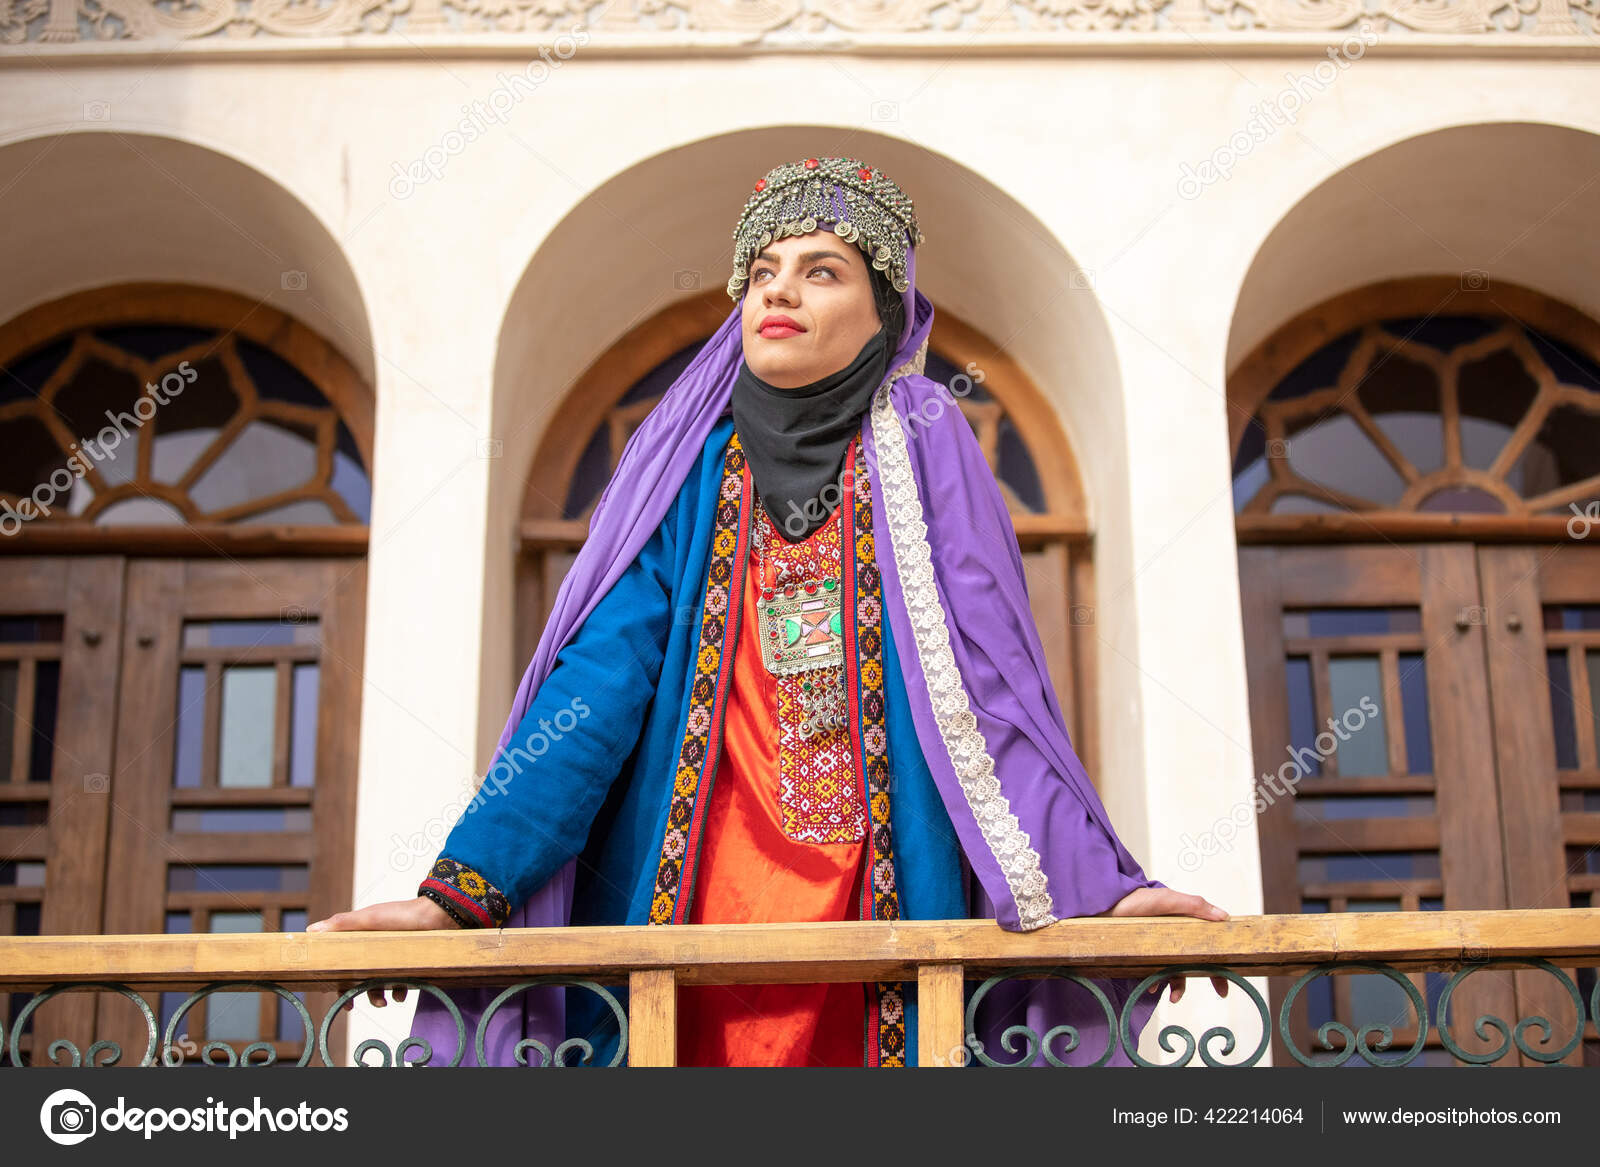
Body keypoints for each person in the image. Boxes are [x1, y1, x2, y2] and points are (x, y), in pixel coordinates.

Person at [308, 155, 1229, 1066]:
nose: (778, 292)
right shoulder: (690, 471)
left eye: (821, 272)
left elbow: (990, 688)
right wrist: (462, 889)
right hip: (692, 929)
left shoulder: (924, 439)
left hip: (888, 921)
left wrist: (1103, 889)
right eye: (760, 273)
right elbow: (594, 690)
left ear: (885, 312)